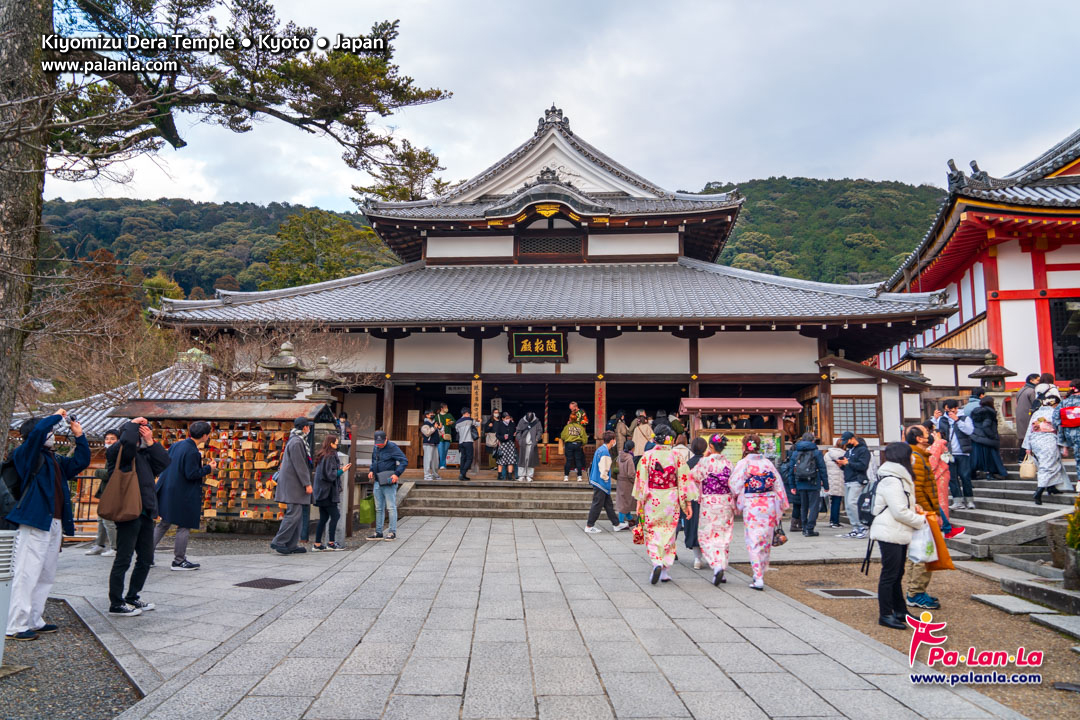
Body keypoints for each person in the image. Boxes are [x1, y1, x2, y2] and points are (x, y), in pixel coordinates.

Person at [5, 411, 90, 640]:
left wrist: (80, 437)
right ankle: (15, 624)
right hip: (34, 519)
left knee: (45, 573)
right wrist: (55, 417)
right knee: (26, 573)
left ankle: (34, 618)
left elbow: (80, 463)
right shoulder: (26, 453)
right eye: (50, 433)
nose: (52, 436)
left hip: (53, 520)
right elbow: (38, 433)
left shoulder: (53, 459)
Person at [107, 418, 171, 617]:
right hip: (127, 512)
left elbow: (164, 462)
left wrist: (151, 442)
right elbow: (126, 442)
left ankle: (132, 596)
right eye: (139, 433)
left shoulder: (144, 454)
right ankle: (116, 602)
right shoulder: (119, 452)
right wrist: (133, 424)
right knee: (123, 558)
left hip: (145, 511)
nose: (140, 436)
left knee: (146, 558)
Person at [870, 442, 927, 630]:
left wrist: (914, 509)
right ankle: (885, 614)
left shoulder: (897, 478)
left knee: (897, 573)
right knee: (890, 574)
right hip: (890, 530)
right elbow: (899, 511)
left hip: (896, 530)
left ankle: (900, 610)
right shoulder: (892, 480)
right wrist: (919, 520)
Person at [634, 427, 697, 584]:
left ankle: (656, 562)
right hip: (671, 498)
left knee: (652, 531)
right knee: (669, 532)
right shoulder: (676, 456)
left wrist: (639, 502)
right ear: (670, 439)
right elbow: (684, 479)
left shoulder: (647, 457)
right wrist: (687, 503)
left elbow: (641, 482)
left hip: (652, 498)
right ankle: (665, 570)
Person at [153, 421, 215, 571]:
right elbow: (191, 474)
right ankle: (179, 561)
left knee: (164, 523)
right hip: (183, 492)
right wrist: (209, 468)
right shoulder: (193, 452)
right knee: (184, 525)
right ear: (205, 436)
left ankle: (145, 555)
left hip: (168, 488)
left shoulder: (176, 445)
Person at [729, 434, 789, 590]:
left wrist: (736, 498)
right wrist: (782, 504)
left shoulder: (744, 464)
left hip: (752, 505)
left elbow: (734, 486)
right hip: (769, 505)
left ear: (744, 447)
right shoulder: (767, 463)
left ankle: (758, 577)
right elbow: (778, 486)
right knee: (765, 541)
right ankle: (760, 573)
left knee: (754, 540)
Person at [906, 425, 949, 610]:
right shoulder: (916, 458)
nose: (929, 436)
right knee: (923, 552)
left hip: (923, 511)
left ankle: (915, 591)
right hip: (923, 512)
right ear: (918, 438)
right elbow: (919, 489)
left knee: (919, 552)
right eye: (926, 434)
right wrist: (929, 511)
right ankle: (915, 592)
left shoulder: (919, 456)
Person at [692, 434, 736, 585]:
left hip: (709, 503)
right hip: (725, 502)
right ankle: (722, 567)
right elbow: (734, 484)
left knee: (706, 535)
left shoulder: (704, 462)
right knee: (723, 536)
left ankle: (716, 566)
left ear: (710, 446)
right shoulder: (729, 464)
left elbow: (693, 476)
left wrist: (705, 457)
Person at [269, 418, 314, 555]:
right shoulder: (296, 442)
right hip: (293, 483)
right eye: (308, 427)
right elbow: (299, 465)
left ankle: (291, 544)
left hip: (294, 482)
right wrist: (307, 483)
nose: (309, 429)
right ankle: (279, 541)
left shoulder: (296, 440)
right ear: (305, 428)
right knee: (293, 514)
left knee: (297, 514)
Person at [1024, 384, 1074, 504]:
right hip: (1049, 440)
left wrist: (1027, 446)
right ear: (1055, 403)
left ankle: (1052, 487)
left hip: (1035, 440)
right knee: (1048, 466)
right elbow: (1060, 429)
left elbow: (1029, 430)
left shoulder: (1036, 413)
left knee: (1051, 463)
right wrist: (1064, 445)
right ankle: (1039, 491)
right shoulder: (1054, 413)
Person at [781, 432, 827, 537]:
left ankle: (804, 528)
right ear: (813, 441)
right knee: (814, 506)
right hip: (814, 482)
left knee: (804, 506)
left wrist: (792, 486)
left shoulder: (796, 452)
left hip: (800, 483)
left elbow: (791, 470)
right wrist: (826, 484)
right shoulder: (816, 452)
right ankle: (810, 529)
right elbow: (822, 469)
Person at [933, 399, 975, 509]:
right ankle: (957, 501)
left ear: (956, 408)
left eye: (951, 410)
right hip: (948, 453)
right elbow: (937, 433)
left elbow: (969, 431)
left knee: (965, 476)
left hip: (962, 452)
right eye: (946, 411)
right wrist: (936, 419)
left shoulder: (965, 418)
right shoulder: (942, 420)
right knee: (952, 477)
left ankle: (969, 500)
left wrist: (957, 420)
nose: (949, 413)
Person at [85, 428, 121, 557]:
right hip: (106, 491)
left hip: (113, 491)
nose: (109, 441)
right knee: (101, 518)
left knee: (108, 520)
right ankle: (99, 545)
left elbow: (112, 473)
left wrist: (97, 472)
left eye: (112, 439)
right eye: (107, 439)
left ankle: (115, 547)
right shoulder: (109, 453)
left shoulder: (118, 454)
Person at [312, 435, 350, 551]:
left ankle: (317, 544)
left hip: (320, 491)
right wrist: (342, 470)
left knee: (323, 518)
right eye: (336, 443)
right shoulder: (331, 456)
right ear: (331, 443)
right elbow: (330, 475)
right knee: (335, 515)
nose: (337, 445)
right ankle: (331, 543)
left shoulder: (322, 454)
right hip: (327, 492)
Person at [367, 430, 407, 539]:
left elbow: (404, 461)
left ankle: (392, 532)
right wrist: (371, 470)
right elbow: (373, 461)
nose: (379, 445)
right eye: (377, 443)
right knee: (378, 508)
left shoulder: (392, 447)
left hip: (389, 481)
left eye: (381, 442)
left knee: (391, 507)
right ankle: (378, 531)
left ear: (386, 439)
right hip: (377, 480)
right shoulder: (376, 447)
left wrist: (396, 474)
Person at [585, 431, 625, 533]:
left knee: (608, 504)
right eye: (614, 439)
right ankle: (589, 526)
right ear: (612, 441)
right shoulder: (605, 452)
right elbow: (604, 469)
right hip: (601, 482)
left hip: (597, 480)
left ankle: (616, 524)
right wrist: (606, 478)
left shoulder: (600, 449)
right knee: (597, 504)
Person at [836, 432, 870, 539]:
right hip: (848, 479)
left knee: (852, 503)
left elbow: (863, 466)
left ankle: (862, 526)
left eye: (847, 441)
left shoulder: (863, 450)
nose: (846, 444)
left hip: (857, 480)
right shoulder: (849, 451)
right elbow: (846, 465)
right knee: (848, 505)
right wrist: (841, 464)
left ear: (852, 439)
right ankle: (855, 527)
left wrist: (848, 463)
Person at [683, 437, 708, 568]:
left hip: (691, 499)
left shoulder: (688, 464)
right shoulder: (708, 463)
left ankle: (697, 558)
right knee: (707, 527)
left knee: (693, 527)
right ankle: (710, 556)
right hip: (708, 499)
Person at [970, 396, 1008, 480]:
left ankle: (973, 474)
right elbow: (986, 426)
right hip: (987, 439)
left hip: (976, 437)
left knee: (977, 458)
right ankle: (989, 474)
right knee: (990, 457)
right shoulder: (990, 413)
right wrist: (992, 435)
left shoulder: (975, 412)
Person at [823, 438, 846, 529]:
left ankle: (832, 520)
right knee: (837, 501)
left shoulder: (827, 454)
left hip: (830, 479)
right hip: (840, 479)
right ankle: (835, 522)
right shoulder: (845, 454)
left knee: (833, 501)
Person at [1013, 373, 1041, 443]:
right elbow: (1035, 405)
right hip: (1028, 416)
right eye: (1038, 380)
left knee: (1022, 437)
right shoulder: (1032, 391)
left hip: (1020, 416)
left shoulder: (1021, 390)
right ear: (1031, 381)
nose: (1039, 382)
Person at [515, 412, 543, 482]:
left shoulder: (537, 421)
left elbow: (540, 431)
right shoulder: (522, 421)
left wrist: (537, 438)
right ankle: (521, 475)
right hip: (523, 443)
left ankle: (529, 476)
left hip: (532, 444)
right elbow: (518, 431)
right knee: (522, 460)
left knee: (531, 460)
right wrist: (520, 439)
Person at [616, 439, 637, 526]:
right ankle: (620, 521)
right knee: (626, 502)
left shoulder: (619, 456)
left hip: (620, 481)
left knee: (623, 501)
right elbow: (631, 474)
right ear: (632, 448)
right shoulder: (629, 459)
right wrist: (635, 481)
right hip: (628, 483)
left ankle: (629, 518)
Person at [560, 416, 588, 482]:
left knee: (568, 460)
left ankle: (566, 476)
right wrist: (582, 444)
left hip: (569, 444)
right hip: (578, 444)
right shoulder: (580, 427)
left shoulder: (567, 427)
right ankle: (579, 477)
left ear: (570, 419)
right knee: (578, 460)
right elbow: (585, 438)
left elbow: (562, 436)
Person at [454, 409, 479, 481]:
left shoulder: (457, 422)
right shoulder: (470, 420)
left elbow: (457, 431)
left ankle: (463, 475)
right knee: (469, 458)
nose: (470, 415)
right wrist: (479, 420)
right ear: (466, 413)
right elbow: (478, 424)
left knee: (463, 458)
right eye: (469, 413)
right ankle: (463, 473)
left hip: (461, 442)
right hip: (468, 441)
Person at [494, 412, 518, 480]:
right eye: (506, 418)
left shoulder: (512, 424)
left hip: (510, 443)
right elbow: (497, 435)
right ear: (503, 418)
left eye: (509, 418)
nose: (508, 419)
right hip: (503, 443)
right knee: (501, 460)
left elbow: (515, 432)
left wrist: (514, 435)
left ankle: (510, 476)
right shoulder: (500, 424)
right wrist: (503, 438)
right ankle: (499, 475)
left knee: (511, 459)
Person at [420, 410, 440, 481]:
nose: (433, 414)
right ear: (427, 415)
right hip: (428, 444)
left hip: (435, 444)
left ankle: (435, 474)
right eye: (431, 413)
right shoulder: (425, 424)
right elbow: (427, 433)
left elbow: (439, 434)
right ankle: (427, 475)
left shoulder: (434, 423)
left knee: (435, 461)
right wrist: (434, 428)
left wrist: (439, 428)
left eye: (433, 413)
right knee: (427, 460)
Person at [436, 404, 455, 470]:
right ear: (441, 408)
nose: (446, 408)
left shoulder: (449, 415)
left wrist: (452, 423)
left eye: (447, 407)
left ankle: (441, 465)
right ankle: (442, 465)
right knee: (441, 451)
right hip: (440, 437)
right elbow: (434, 425)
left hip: (447, 436)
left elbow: (454, 425)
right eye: (445, 407)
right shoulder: (437, 416)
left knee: (445, 451)